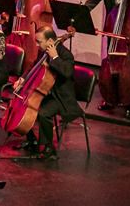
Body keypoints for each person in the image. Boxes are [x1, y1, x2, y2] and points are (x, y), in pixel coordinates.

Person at [17, 27, 82, 160]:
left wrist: (55, 57)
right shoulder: (43, 52)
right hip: (46, 93)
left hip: (61, 98)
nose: (37, 45)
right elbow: (33, 66)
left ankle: (49, 149)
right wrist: (23, 78)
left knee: (43, 112)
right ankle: (32, 140)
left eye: (39, 42)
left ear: (50, 41)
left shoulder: (66, 55)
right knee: (27, 107)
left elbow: (67, 72)